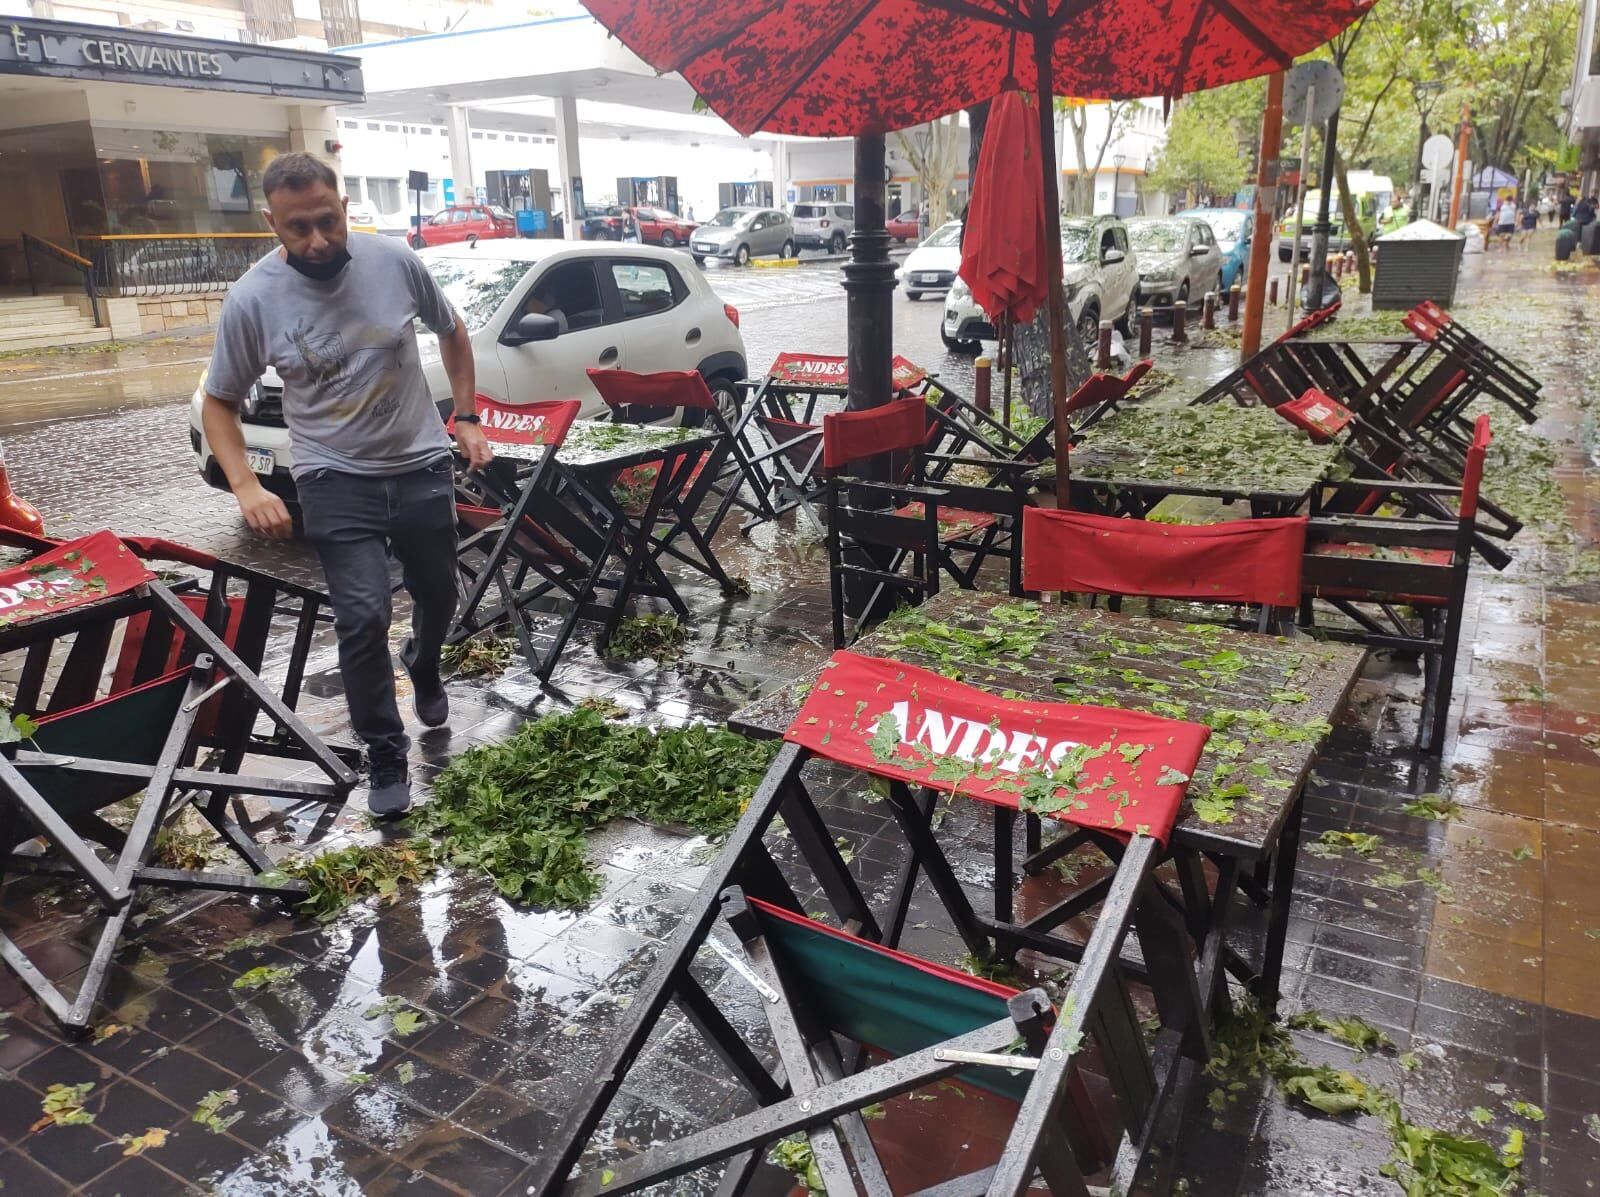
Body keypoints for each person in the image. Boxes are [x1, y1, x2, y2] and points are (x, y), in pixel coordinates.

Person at [201, 152, 493, 817]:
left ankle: (423, 660)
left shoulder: (394, 263)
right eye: (297, 228)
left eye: (328, 222)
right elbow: (219, 401)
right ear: (270, 221)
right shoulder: (253, 298)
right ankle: (384, 752)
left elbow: (453, 331)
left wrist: (467, 415)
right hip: (333, 476)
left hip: (419, 463)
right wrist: (246, 484)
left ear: (343, 206)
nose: (316, 241)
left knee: (440, 591)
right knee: (360, 615)